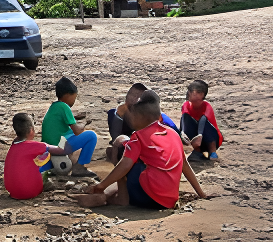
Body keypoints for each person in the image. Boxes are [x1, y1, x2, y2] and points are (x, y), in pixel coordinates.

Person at [75, 90, 208, 211]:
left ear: (139, 117)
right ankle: (111, 192)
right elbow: (185, 165)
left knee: (122, 148)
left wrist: (101, 186)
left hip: (147, 199)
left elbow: (125, 165)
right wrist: (201, 193)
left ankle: (120, 198)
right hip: (169, 201)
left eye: (132, 116)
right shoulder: (173, 134)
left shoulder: (138, 137)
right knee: (139, 158)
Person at [105, 83, 179, 163]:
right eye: (131, 94)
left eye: (137, 96)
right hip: (129, 140)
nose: (132, 98)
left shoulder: (151, 114)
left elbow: (170, 126)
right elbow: (116, 136)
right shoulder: (120, 111)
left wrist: (180, 135)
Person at [42, 77, 100, 177]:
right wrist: (83, 125)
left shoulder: (54, 107)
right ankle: (79, 167)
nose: (74, 101)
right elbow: (77, 131)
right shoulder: (64, 106)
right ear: (67, 95)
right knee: (91, 136)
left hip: (49, 147)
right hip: (58, 146)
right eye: (74, 98)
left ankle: (68, 162)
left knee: (69, 133)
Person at [4, 113, 69, 200]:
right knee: (47, 157)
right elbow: (60, 150)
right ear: (31, 130)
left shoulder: (14, 144)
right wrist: (64, 137)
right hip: (31, 191)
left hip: (12, 192)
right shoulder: (35, 145)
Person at [179, 79, 223, 164]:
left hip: (208, 138)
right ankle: (197, 151)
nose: (188, 93)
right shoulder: (186, 105)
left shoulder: (206, 106)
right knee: (186, 118)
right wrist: (183, 132)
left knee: (206, 123)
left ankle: (212, 151)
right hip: (195, 141)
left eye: (191, 91)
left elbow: (203, 120)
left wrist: (200, 135)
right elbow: (184, 119)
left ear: (201, 94)